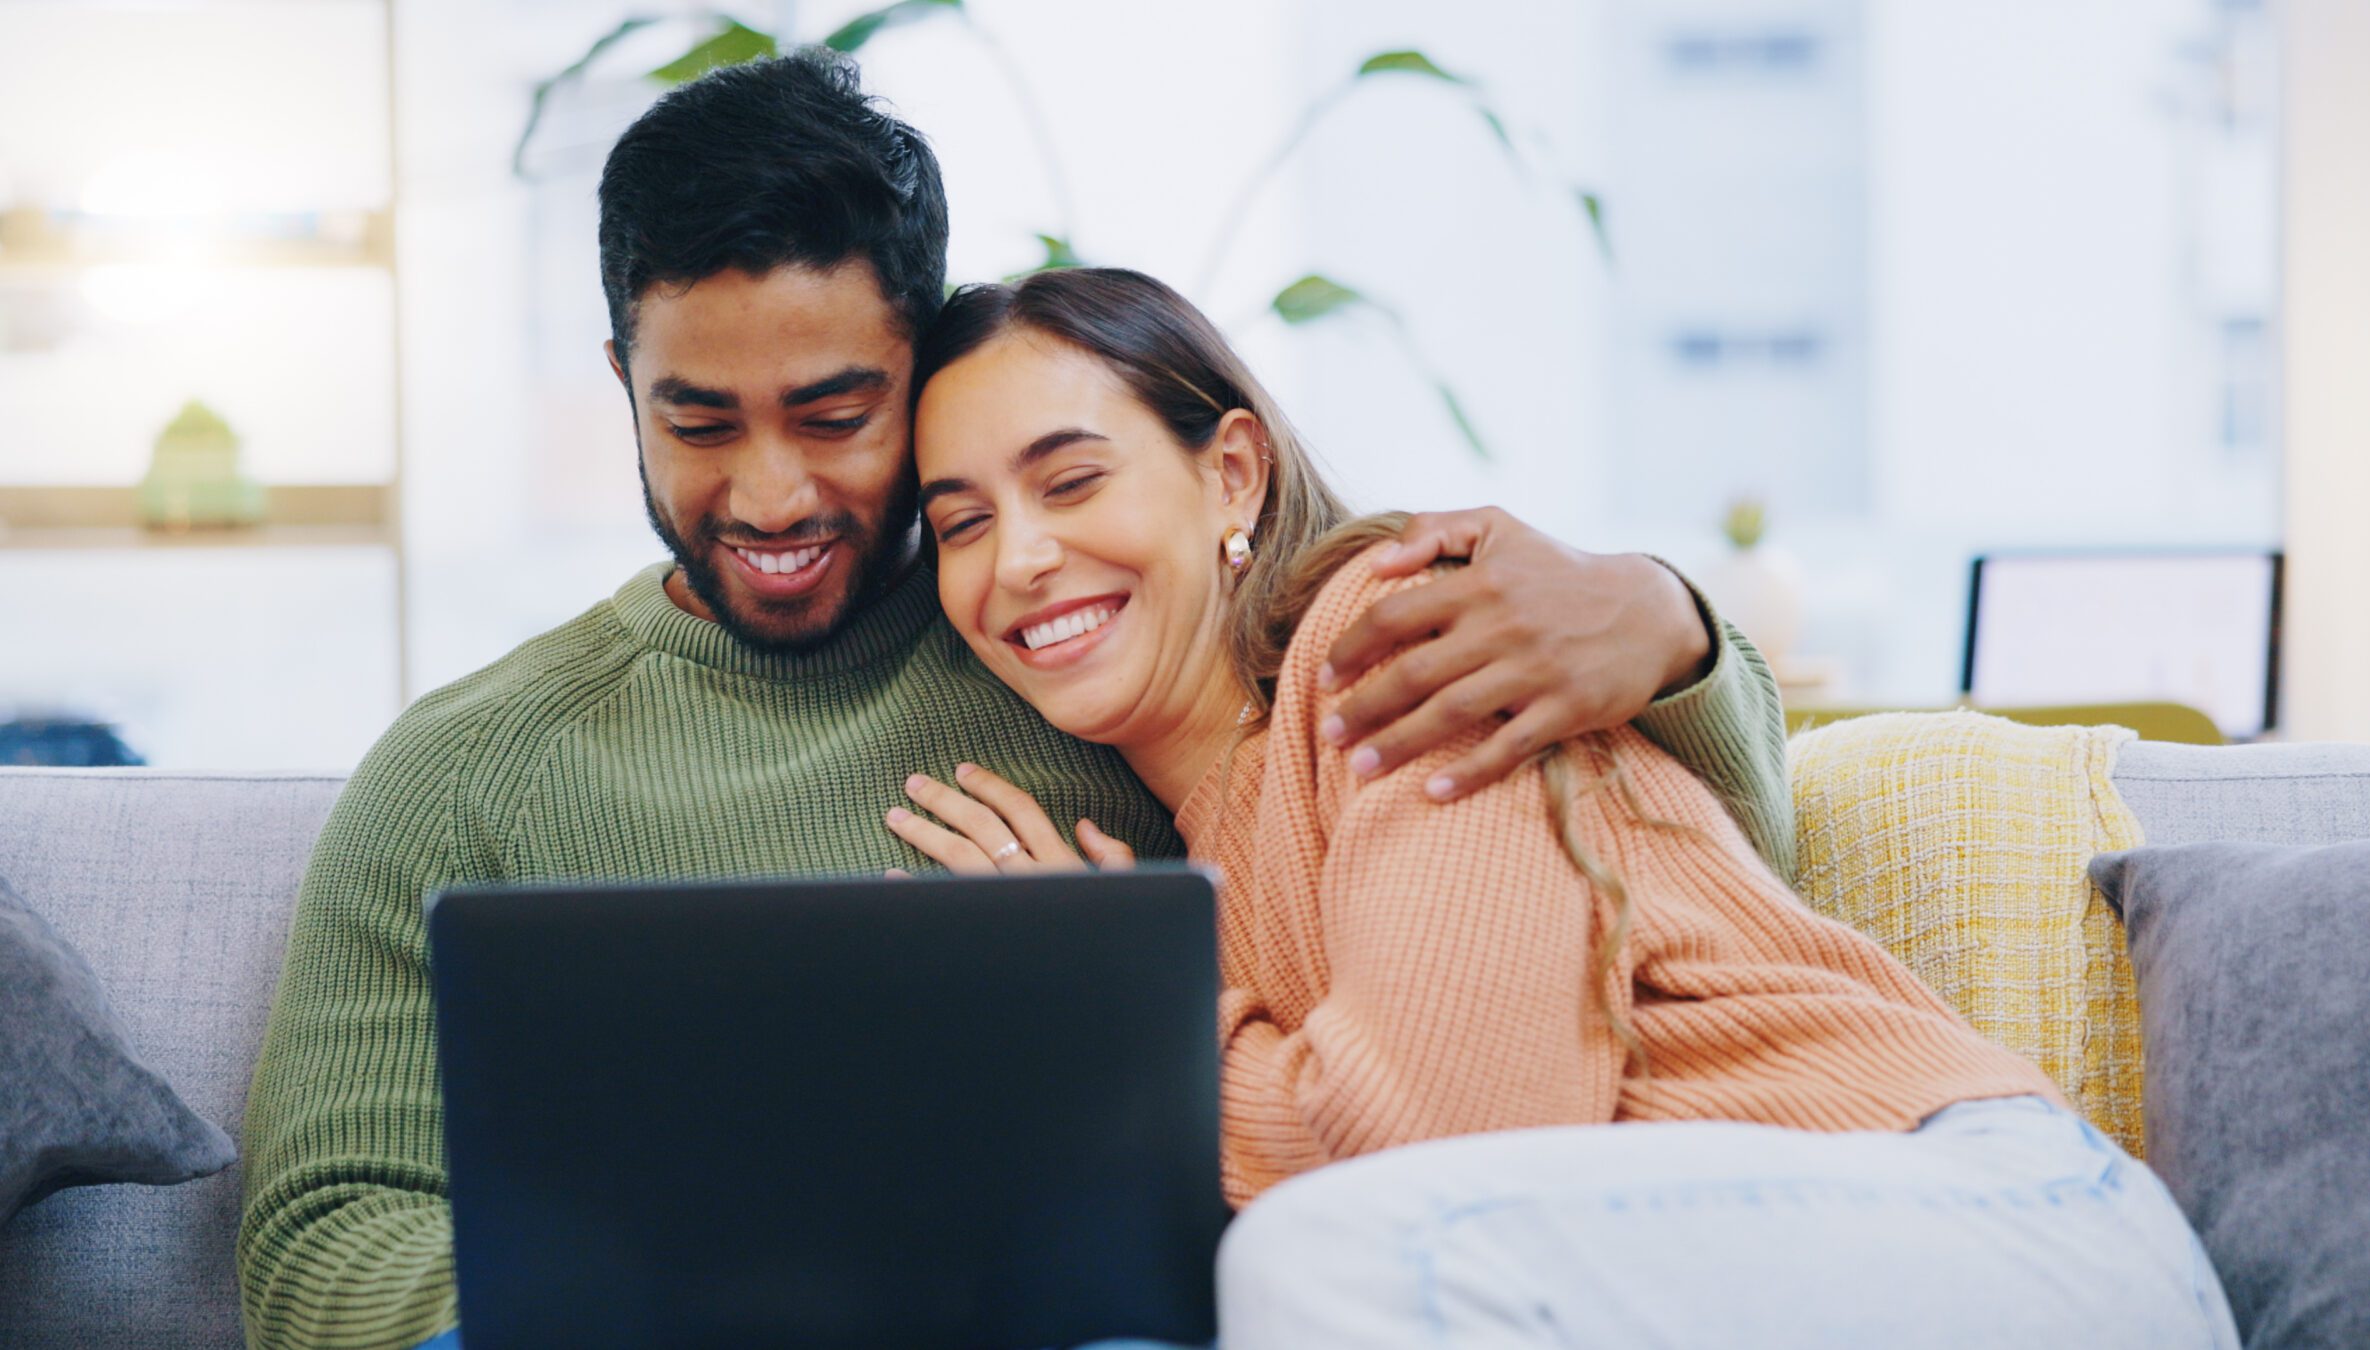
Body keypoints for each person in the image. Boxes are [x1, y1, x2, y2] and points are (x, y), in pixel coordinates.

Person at [235, 51, 1791, 1350]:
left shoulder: (1082, 653)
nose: (769, 490)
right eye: (695, 420)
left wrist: (1670, 620)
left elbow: (1624, 869)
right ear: (621, 380)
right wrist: (689, 1308)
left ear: (924, 372)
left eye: (838, 415)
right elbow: (319, 1242)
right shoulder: (467, 768)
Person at [888, 267, 2243, 1349]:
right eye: (960, 523)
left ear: (1231, 472)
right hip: (1681, 1265)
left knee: (1327, 1256)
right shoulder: (1204, 847)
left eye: (1071, 481)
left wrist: (1122, 1035)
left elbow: (1440, 1137)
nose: (1020, 558)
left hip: (1993, 1226)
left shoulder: (1395, 642)